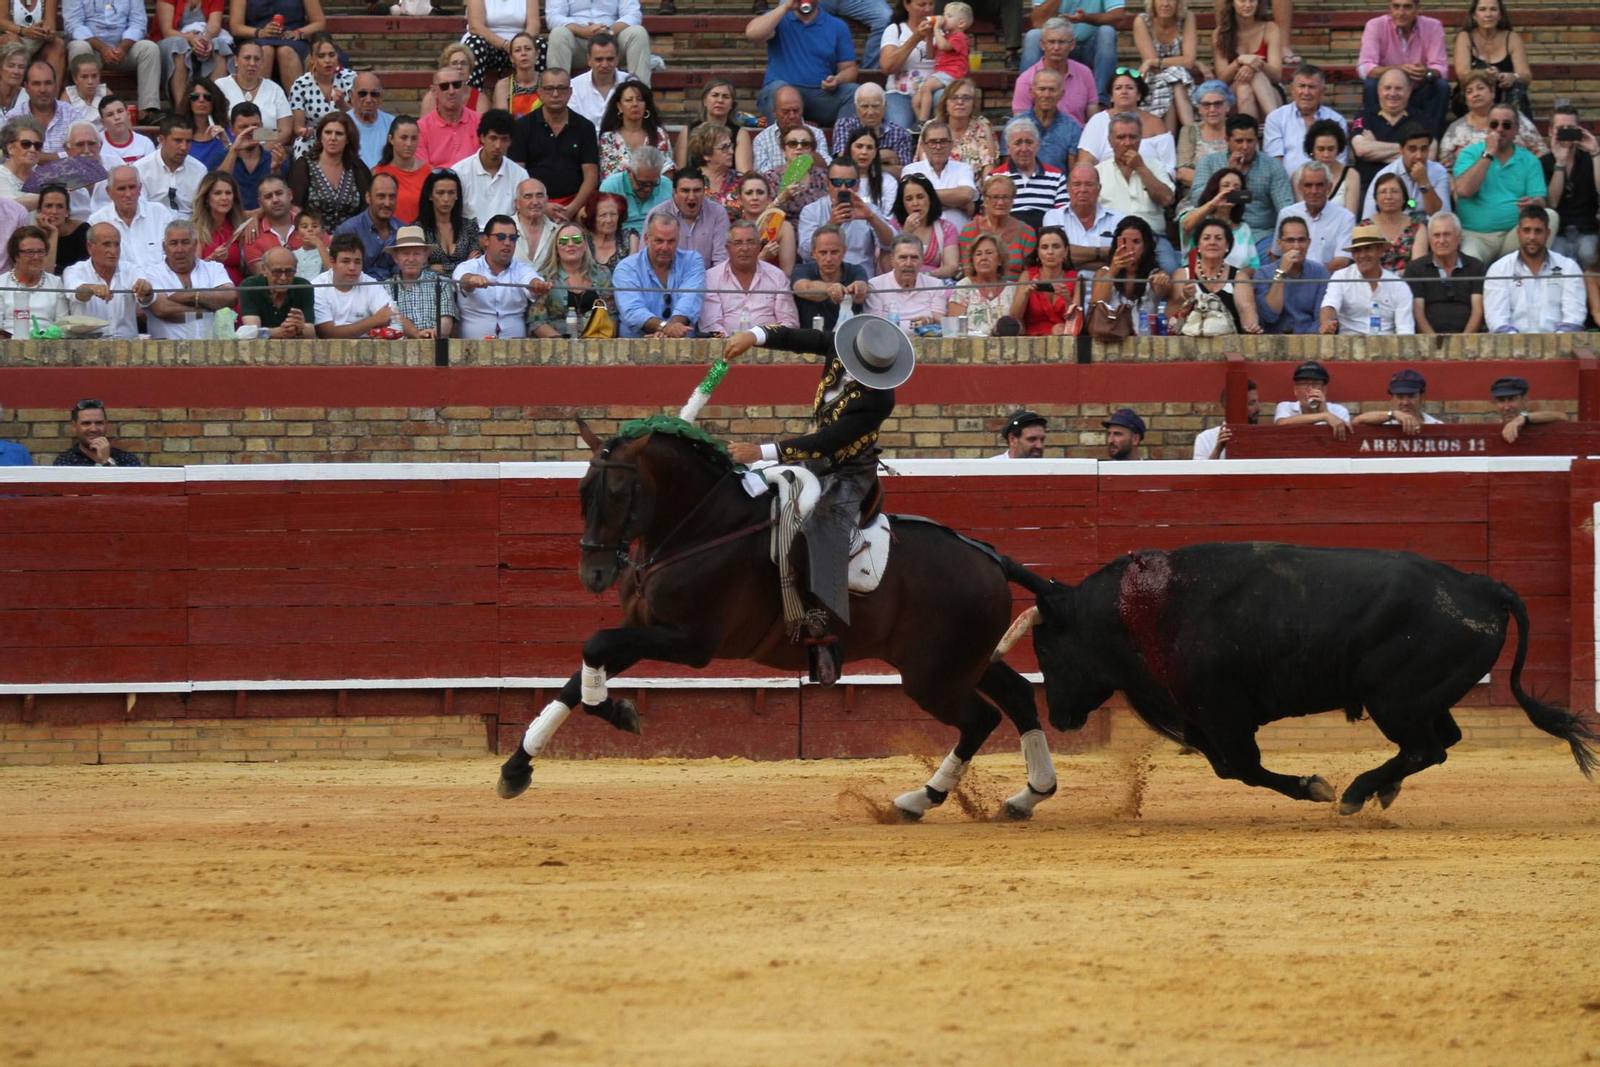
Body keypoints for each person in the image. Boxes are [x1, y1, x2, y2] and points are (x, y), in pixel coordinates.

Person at [719, 315, 913, 672]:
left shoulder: (879, 402)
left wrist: (759, 451)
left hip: (850, 472)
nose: (869, 382)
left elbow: (827, 443)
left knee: (821, 532)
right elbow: (798, 337)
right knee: (752, 490)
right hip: (816, 459)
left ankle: (822, 629)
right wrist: (754, 335)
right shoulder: (841, 345)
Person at [1452, 103, 1551, 262]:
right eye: (1494, 124)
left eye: (1506, 125)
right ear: (1487, 127)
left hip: (1514, 234)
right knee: (1470, 263)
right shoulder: (1470, 153)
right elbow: (1464, 190)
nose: (1499, 129)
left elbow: (1540, 200)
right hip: (1475, 236)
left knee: (1550, 216)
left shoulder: (1529, 160)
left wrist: (1534, 203)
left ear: (1516, 129)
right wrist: (1488, 154)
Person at [1192, 113, 1293, 259]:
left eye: (1250, 141)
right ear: (1227, 140)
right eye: (1239, 141)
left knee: (1270, 265)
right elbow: (1197, 199)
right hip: (1219, 232)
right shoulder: (1209, 162)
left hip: (1260, 235)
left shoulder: (1272, 167)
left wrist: (1280, 244)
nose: (1245, 146)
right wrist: (1229, 174)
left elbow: (1285, 208)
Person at [749, 0, 859, 129]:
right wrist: (785, 7)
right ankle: (781, 145)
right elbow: (752, 34)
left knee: (854, 92)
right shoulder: (778, 18)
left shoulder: (837, 26)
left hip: (820, 95)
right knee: (779, 89)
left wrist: (837, 80)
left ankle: (842, 146)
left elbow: (849, 68)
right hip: (782, 93)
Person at [509, 66, 598, 222]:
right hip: (534, 204)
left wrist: (573, 208)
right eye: (549, 89)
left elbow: (591, 176)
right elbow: (517, 174)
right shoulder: (522, 127)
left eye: (562, 89)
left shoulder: (585, 127)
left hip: (575, 206)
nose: (556, 94)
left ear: (570, 92)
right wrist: (543, 206)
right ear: (540, 92)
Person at [1482, 205, 1585, 333]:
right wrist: (1519, 346)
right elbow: (1497, 320)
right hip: (1511, 348)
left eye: (1538, 231)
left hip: (1559, 346)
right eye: (1527, 230)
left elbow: (1574, 317)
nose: (1532, 237)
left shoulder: (1568, 267)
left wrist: (1554, 345)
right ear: (1518, 232)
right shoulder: (1499, 269)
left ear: (1547, 233)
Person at [1097, 111, 1178, 272]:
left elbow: (1167, 199)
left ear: (1140, 140)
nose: (1127, 143)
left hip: (1152, 237)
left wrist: (1140, 168)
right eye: (1121, 137)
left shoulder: (1156, 166)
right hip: (1112, 238)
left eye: (1133, 137)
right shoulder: (1098, 172)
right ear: (1110, 141)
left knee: (1170, 270)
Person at [1357, 0, 1450, 139]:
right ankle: (1376, 138)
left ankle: (1430, 141)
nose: (1401, 12)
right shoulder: (1375, 26)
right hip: (1389, 92)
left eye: (1407, 7)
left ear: (1417, 8)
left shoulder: (1433, 26)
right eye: (1396, 6)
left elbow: (1440, 68)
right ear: (1389, 7)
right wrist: (1398, 70)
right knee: (1371, 85)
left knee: (1441, 86)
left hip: (1419, 91)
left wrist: (1427, 73)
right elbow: (1364, 68)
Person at [699, 217, 799, 335]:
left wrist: (764, 338)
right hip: (725, 348)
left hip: (770, 347)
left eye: (751, 242)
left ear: (759, 246)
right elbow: (711, 325)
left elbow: (789, 322)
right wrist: (732, 343)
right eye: (738, 243)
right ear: (727, 248)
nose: (745, 248)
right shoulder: (712, 277)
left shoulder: (777, 276)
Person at [612, 210, 704, 338]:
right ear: (646, 238)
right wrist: (666, 328)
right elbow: (633, 311)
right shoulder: (626, 268)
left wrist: (670, 330)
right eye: (659, 241)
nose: (665, 248)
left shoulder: (692, 261)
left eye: (671, 241)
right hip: (637, 346)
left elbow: (689, 301)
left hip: (682, 345)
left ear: (678, 239)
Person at [140, 218, 236, 338]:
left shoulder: (213, 268)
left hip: (210, 352)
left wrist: (191, 295)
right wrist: (206, 309)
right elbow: (162, 309)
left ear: (195, 245)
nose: (180, 250)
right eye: (173, 243)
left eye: (185, 242)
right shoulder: (152, 273)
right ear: (164, 247)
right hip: (168, 352)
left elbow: (230, 296)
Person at [64, 0, 158, 120]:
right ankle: (78, 108)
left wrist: (122, 48)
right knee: (79, 46)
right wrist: (103, 49)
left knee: (149, 48)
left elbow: (138, 23)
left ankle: (148, 112)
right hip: (92, 49)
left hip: (123, 49)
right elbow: (73, 25)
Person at [1318, 224, 1416, 335]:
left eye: (1368, 249)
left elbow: (1405, 331)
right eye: (1357, 250)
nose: (1362, 255)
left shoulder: (1398, 285)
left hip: (1388, 348)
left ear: (1380, 251)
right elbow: (1329, 306)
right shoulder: (1341, 277)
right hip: (1348, 347)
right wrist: (1327, 323)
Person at [796, 158, 894, 269]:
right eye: (837, 183)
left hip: (861, 279)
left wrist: (871, 218)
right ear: (827, 184)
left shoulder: (870, 210)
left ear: (857, 185)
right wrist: (831, 226)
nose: (843, 188)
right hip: (824, 280)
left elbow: (891, 244)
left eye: (849, 183)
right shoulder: (811, 211)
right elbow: (805, 253)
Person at [1074, 68, 1176, 174]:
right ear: (1111, 97)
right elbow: (1086, 162)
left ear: (1139, 95)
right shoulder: (1097, 121)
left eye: (1130, 88)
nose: (1124, 92)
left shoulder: (1156, 124)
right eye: (1118, 88)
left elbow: (1169, 168)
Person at [1440, 68, 1543, 171]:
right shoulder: (1456, 128)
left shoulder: (1513, 117)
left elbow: (1541, 151)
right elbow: (1446, 165)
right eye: (1469, 91)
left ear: (1492, 92)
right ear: (1466, 99)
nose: (1476, 94)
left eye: (1480, 88)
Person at [1172, 216, 1262, 332]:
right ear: (1198, 245)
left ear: (1227, 246)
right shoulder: (1183, 274)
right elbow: (1171, 315)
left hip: (1229, 343)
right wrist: (1184, 298)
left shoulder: (1239, 276)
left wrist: (1251, 326)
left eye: (1218, 238)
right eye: (1206, 238)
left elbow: (1246, 308)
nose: (1212, 242)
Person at [1021, 3, 1123, 106]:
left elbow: (1118, 16)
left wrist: (1085, 18)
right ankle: (1025, 101)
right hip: (1056, 45)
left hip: (1090, 48)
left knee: (1107, 32)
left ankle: (1102, 102)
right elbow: (1037, 21)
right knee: (1033, 36)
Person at [286, 111, 369, 234]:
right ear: (320, 136)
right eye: (328, 132)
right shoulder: (304, 165)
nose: (333, 138)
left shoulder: (357, 167)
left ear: (347, 139)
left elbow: (367, 207)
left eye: (339, 133)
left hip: (351, 240)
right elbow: (295, 208)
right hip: (313, 240)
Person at [1403, 210, 1484, 333]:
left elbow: (1478, 311)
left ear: (1459, 237)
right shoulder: (1415, 269)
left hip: (1468, 343)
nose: (1441, 241)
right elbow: (1418, 314)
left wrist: (1464, 343)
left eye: (1447, 235)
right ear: (1429, 239)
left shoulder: (1476, 267)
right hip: (1429, 344)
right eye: (1436, 235)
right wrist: (1435, 345)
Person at [64, 222, 149, 336]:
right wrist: (92, 288)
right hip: (88, 348)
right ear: (90, 247)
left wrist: (147, 291)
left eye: (116, 244)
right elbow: (77, 294)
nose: (113, 251)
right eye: (106, 245)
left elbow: (146, 298)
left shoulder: (132, 269)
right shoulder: (74, 271)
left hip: (127, 347)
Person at [527, 219, 608, 337]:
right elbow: (536, 320)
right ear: (556, 248)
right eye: (563, 241)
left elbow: (612, 314)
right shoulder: (544, 278)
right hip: (556, 346)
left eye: (576, 239)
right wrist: (562, 347)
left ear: (585, 245)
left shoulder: (602, 273)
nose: (570, 244)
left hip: (597, 344)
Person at [1542, 106, 1599, 270]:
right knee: (1557, 261)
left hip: (1587, 230)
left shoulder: (1590, 159)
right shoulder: (1544, 163)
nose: (1566, 132)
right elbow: (1552, 202)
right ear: (1551, 131)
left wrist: (1595, 152)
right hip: (1558, 231)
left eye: (1571, 129)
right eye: (1561, 129)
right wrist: (1559, 162)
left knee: (1588, 255)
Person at [227, 0, 328, 90]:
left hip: (293, 39)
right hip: (255, 37)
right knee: (264, 51)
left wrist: (298, 33)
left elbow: (319, 22)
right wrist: (259, 32)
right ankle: (257, 104)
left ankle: (297, 105)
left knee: (286, 51)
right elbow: (236, 27)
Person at [1264, 64, 1345, 178]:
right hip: (1287, 188)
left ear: (1323, 91)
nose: (1306, 92)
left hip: (1326, 187)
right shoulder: (1276, 118)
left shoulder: (1336, 120)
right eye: (1301, 86)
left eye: (1312, 87)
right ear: (1292, 89)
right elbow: (1275, 163)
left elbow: (1340, 162)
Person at [1453, 0, 1531, 118]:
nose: (1488, 14)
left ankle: (1515, 130)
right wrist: (1483, 75)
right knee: (1477, 88)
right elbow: (1462, 74)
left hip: (1504, 93)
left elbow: (1526, 75)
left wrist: (1513, 76)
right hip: (1474, 92)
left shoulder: (1512, 38)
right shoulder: (1465, 37)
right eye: (1482, 9)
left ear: (1499, 16)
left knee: (1517, 87)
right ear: (1474, 16)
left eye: (1493, 9)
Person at [1013, 18, 1097, 127]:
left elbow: (1094, 122)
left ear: (1072, 45)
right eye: (1051, 42)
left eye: (1062, 42)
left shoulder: (1085, 73)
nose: (1056, 47)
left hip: (1078, 140)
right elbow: (1020, 126)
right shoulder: (1026, 80)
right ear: (1042, 44)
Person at [87, 164, 173, 269]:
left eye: (132, 187)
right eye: (121, 189)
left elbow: (171, 253)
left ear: (140, 188)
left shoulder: (159, 213)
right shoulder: (97, 221)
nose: (128, 194)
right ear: (109, 192)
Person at [547, 0, 650, 87]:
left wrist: (610, 30)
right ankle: (557, 93)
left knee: (638, 32)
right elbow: (554, 16)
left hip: (612, 41)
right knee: (558, 34)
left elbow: (633, 14)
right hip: (578, 42)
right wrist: (582, 31)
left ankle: (640, 94)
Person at [451, 109, 527, 226]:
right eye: (493, 138)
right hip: (469, 238)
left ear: (510, 141)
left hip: (507, 239)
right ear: (482, 138)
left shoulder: (520, 175)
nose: (498, 145)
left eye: (504, 139)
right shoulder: (459, 172)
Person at [1254, 216, 1328, 334]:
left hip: (1309, 340)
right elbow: (1269, 316)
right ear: (1279, 244)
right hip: (1275, 341)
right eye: (1290, 240)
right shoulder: (1263, 273)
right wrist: (1281, 273)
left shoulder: (1320, 273)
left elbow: (1320, 319)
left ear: (1309, 243)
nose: (1297, 246)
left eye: (1301, 240)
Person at [313, 230, 395, 338]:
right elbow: (328, 333)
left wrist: (416, 333)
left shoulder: (369, 282)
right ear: (332, 261)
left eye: (357, 262)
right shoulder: (317, 286)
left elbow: (392, 314)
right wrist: (373, 321)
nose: (352, 268)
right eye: (345, 261)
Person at [156, 4, 230, 119]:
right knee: (180, 44)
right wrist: (191, 38)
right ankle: (181, 111)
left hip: (200, 39)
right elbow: (167, 31)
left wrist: (205, 39)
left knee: (219, 45)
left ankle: (216, 110)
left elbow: (214, 26)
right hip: (170, 43)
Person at [790, 222, 868, 331]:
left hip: (846, 340)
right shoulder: (801, 269)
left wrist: (860, 289)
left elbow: (862, 293)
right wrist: (830, 288)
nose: (829, 258)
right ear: (813, 253)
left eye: (834, 252)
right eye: (823, 252)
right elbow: (803, 288)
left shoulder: (855, 271)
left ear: (844, 251)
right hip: (809, 341)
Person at [989, 118, 1063, 232]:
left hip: (1046, 242)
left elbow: (1062, 218)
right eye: (1018, 143)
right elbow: (989, 218)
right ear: (1008, 148)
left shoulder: (1057, 177)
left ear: (1038, 145)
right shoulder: (994, 178)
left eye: (1029, 142)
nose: (1024, 149)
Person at [1277, 161, 1354, 270]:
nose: (1314, 191)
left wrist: (1312, 280)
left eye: (1319, 185)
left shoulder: (1345, 217)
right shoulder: (1286, 214)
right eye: (1308, 185)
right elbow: (1277, 255)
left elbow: (1342, 262)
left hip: (1328, 282)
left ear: (1329, 187)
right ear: (1299, 188)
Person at [647, 166, 729, 269]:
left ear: (704, 191)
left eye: (697, 190)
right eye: (685, 191)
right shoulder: (656, 214)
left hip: (707, 281)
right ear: (674, 192)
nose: (691, 197)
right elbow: (645, 259)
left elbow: (721, 262)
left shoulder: (718, 214)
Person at [286, 31, 351, 160]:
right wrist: (304, 131)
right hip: (314, 137)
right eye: (321, 56)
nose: (328, 61)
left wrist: (343, 105)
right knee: (301, 142)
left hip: (344, 136)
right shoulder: (300, 85)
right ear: (312, 59)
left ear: (337, 56)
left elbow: (358, 119)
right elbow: (298, 126)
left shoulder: (350, 78)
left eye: (331, 55)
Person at [1132, 0, 1196, 132]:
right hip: (1153, 80)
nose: (1165, 4)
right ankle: (1192, 133)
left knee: (1175, 78)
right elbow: (1154, 68)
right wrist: (1153, 62)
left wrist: (1153, 62)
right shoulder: (1142, 21)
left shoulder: (1187, 18)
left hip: (1181, 80)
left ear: (1178, 3)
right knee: (1172, 80)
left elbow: (1189, 61)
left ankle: (1173, 142)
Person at [1089, 214, 1173, 314]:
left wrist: (1162, 281)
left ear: (1146, 245)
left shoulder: (1156, 274)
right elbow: (1095, 308)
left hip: (1144, 329)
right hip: (1111, 329)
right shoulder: (1103, 273)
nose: (1131, 247)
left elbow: (1164, 291)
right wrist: (1112, 273)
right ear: (1117, 244)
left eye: (1136, 242)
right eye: (1125, 242)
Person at [958, 174, 1035, 282]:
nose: (1000, 202)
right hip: (978, 292)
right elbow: (969, 272)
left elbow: (1029, 274)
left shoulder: (1027, 233)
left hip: (1016, 293)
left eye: (1006, 197)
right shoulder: (969, 231)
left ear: (1013, 200)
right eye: (995, 197)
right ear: (985, 200)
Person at [1179, 165, 1258, 269]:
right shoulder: (1197, 218)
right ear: (1215, 190)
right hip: (1198, 281)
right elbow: (1185, 225)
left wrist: (1235, 278)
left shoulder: (1243, 228)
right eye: (1226, 186)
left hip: (1236, 282)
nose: (1231, 190)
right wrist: (1213, 203)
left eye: (1236, 187)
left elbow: (1254, 265)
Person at [1212, 0, 1281, 118]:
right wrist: (1239, 61)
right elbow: (1222, 80)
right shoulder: (1220, 33)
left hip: (1268, 89)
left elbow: (1276, 76)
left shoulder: (1270, 28)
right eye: (1242, 1)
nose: (1248, 5)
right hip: (1233, 92)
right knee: (1243, 86)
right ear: (1232, 3)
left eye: (1252, 1)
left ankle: (1267, 127)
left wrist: (1256, 64)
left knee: (1254, 76)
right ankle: (1277, 126)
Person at [216, 39, 292, 145]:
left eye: (257, 59)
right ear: (236, 60)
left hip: (266, 153)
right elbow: (214, 126)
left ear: (262, 63)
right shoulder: (220, 86)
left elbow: (285, 131)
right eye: (247, 58)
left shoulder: (274, 89)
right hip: (227, 150)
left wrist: (261, 151)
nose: (252, 63)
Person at [384, 225, 455, 338]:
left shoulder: (441, 283)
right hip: (400, 350)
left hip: (434, 346)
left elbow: (446, 320)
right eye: (406, 254)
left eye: (416, 253)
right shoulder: (386, 288)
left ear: (425, 256)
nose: (411, 259)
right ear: (396, 258)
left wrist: (435, 332)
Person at [902, 120, 975, 230]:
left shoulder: (963, 168)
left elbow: (966, 195)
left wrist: (925, 198)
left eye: (943, 141)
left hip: (961, 239)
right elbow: (912, 204)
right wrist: (958, 203)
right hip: (924, 240)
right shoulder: (911, 170)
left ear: (951, 144)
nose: (938, 146)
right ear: (923, 146)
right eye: (932, 142)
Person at [1043, 161, 1116, 272]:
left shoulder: (1117, 220)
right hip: (1065, 287)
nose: (1083, 190)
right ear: (1068, 188)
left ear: (1099, 188)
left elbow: (1120, 260)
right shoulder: (1053, 217)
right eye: (1077, 184)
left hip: (1105, 287)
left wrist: (1073, 262)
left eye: (1089, 184)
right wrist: (1103, 253)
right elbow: (1055, 256)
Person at [331, 170, 403, 281]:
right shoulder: (349, 230)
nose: (387, 203)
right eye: (381, 196)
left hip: (395, 291)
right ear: (368, 197)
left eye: (392, 197)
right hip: (357, 290)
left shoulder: (403, 230)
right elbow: (339, 271)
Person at [1009, 224, 1079, 335]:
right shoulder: (1027, 276)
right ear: (1038, 252)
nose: (1050, 252)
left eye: (1056, 247)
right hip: (1033, 339)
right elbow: (1014, 318)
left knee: (1059, 329)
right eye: (1045, 247)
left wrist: (1067, 300)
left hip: (1064, 337)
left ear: (1065, 251)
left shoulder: (1075, 279)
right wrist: (1026, 294)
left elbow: (1076, 321)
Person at [877, 0, 937, 131]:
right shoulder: (895, 30)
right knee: (899, 128)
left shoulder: (942, 31)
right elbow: (887, 67)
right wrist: (915, 38)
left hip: (933, 93)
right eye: (922, 5)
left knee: (947, 101)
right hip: (900, 94)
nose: (928, 9)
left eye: (931, 4)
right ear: (907, 5)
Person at [674, 78, 755, 173]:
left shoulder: (740, 134)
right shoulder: (688, 131)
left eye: (726, 96)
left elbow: (743, 173)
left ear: (732, 104)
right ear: (704, 100)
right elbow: (679, 171)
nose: (720, 100)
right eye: (715, 95)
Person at [597, 81, 672, 183]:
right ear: (619, 106)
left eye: (640, 100)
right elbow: (609, 177)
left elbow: (667, 171)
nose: (635, 104)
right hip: (618, 194)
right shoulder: (608, 138)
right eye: (628, 100)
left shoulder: (658, 134)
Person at [462, 0, 544, 93]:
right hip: (488, 44)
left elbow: (534, 25)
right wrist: (506, 45)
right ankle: (472, 100)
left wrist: (519, 45)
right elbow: (476, 27)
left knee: (540, 46)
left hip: (519, 46)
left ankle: (537, 97)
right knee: (475, 45)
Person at [831, 82, 912, 176]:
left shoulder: (900, 134)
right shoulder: (844, 125)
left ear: (885, 106)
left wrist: (861, 161)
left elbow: (904, 173)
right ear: (855, 107)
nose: (870, 112)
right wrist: (882, 157)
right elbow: (843, 161)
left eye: (875, 106)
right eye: (865, 106)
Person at [891, 171, 959, 280]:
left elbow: (952, 267)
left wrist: (925, 277)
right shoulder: (893, 226)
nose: (915, 203)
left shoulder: (946, 228)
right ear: (902, 203)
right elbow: (887, 266)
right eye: (909, 199)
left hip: (934, 284)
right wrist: (905, 234)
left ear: (930, 199)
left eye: (920, 197)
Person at [0, 224, 66, 335]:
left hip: (48, 344)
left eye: (40, 252)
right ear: (16, 255)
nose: (36, 257)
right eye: (29, 252)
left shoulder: (55, 283)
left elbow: (62, 325)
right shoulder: (2, 283)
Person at [239, 243, 316, 338]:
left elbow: (311, 330)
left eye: (288, 271)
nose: (283, 278)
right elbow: (252, 331)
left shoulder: (303, 287)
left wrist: (301, 329)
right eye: (277, 272)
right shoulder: (250, 286)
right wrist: (279, 332)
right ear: (264, 269)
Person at [910, 2, 969, 123]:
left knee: (926, 87)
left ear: (961, 23)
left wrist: (936, 28)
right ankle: (922, 127)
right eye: (944, 15)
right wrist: (930, 38)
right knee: (916, 100)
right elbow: (931, 55)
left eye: (949, 16)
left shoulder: (960, 37)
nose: (944, 19)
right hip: (942, 74)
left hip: (953, 74)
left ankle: (922, 120)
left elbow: (943, 46)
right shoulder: (946, 37)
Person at [414, 167, 479, 277]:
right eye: (440, 193)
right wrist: (462, 265)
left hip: (463, 289)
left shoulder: (469, 226)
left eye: (451, 193)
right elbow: (420, 268)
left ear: (457, 195)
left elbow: (475, 264)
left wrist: (440, 267)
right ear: (430, 195)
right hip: (431, 289)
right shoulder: (418, 229)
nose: (446, 199)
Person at [750, 86, 831, 175]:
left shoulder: (817, 134)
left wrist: (808, 147)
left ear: (802, 109)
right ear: (774, 111)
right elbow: (763, 175)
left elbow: (826, 168)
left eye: (796, 111)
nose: (792, 116)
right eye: (786, 112)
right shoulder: (762, 140)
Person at [134, 115, 205, 215]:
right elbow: (141, 209)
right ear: (162, 140)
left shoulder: (199, 170)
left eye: (188, 141)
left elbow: (202, 211)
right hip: (154, 225)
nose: (184, 147)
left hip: (190, 226)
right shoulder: (140, 169)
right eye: (178, 141)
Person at [218, 100, 282, 211]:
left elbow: (282, 198)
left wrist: (275, 169)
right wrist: (234, 149)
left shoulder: (275, 157)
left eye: (255, 126)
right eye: (244, 127)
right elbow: (217, 188)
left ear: (262, 127)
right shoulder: (219, 157)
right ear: (232, 131)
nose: (250, 131)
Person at [418, 65, 483, 173]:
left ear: (463, 87)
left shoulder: (481, 122)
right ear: (434, 91)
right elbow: (423, 168)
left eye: (456, 85)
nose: (451, 91)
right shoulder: (421, 128)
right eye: (444, 86)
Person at [1018, 67, 1083, 173]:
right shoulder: (1015, 126)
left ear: (1061, 94)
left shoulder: (1072, 128)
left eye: (1052, 90)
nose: (1046, 95)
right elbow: (1008, 171)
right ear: (1032, 92)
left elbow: (1073, 172)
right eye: (1042, 89)